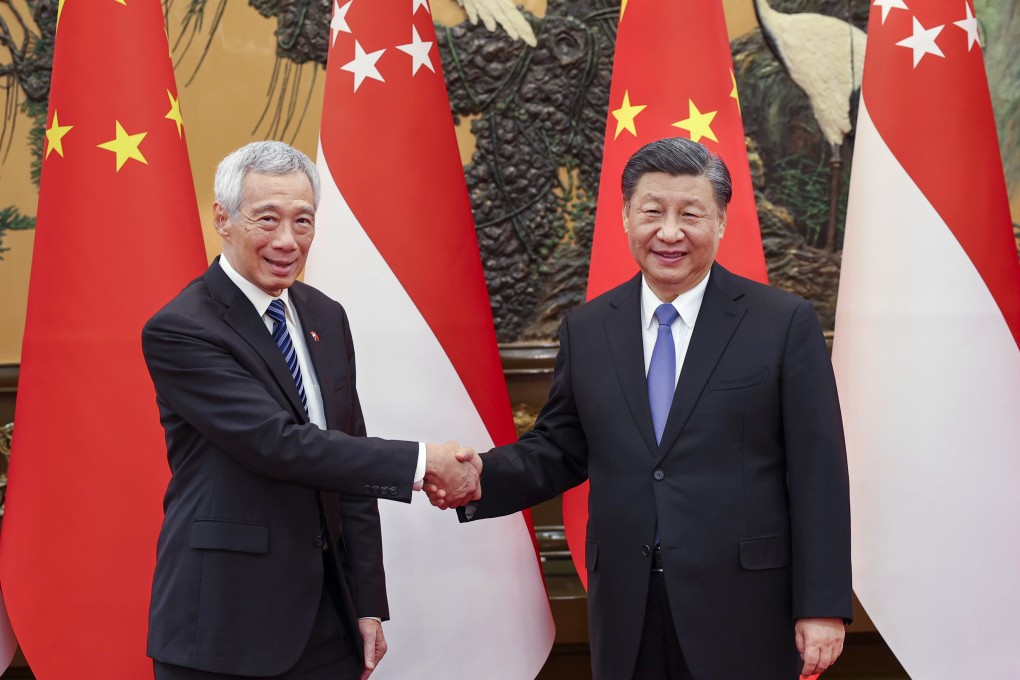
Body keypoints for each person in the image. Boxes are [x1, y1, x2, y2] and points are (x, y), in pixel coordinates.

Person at [429, 137, 852, 680]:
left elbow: (818, 473)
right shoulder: (587, 329)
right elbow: (559, 449)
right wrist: (479, 477)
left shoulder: (782, 323)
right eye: (652, 211)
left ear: (721, 222)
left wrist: (820, 606)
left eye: (690, 214)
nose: (669, 232)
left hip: (744, 606)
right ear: (626, 216)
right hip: (627, 607)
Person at [142, 141, 480, 680]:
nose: (287, 241)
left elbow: (348, 457)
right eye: (267, 219)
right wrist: (424, 463)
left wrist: (366, 603)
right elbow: (278, 445)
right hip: (227, 623)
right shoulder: (182, 329)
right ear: (223, 219)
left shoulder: (324, 314)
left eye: (303, 221)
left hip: (328, 621)